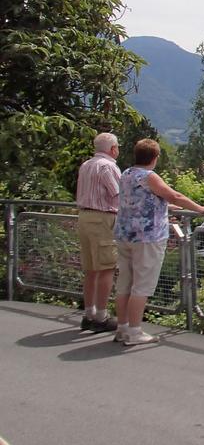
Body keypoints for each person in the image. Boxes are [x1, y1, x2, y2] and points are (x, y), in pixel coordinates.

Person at [113, 138, 204, 346]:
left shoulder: (127, 174)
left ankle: (122, 327)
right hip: (147, 238)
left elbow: (141, 201)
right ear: (155, 157)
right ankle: (135, 331)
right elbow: (174, 195)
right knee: (142, 285)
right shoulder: (148, 176)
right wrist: (200, 209)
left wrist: (165, 206)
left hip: (124, 234)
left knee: (125, 282)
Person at [75, 132, 121, 332]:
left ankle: (89, 314)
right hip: (102, 218)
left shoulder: (86, 165)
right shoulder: (108, 166)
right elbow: (118, 193)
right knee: (107, 268)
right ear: (112, 149)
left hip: (84, 217)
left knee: (91, 269)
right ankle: (102, 317)